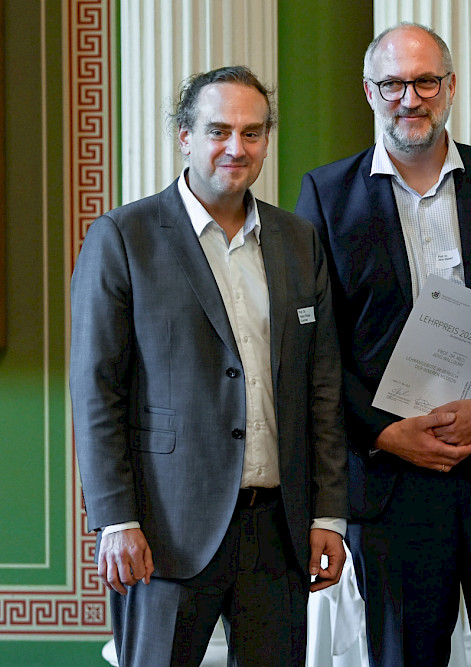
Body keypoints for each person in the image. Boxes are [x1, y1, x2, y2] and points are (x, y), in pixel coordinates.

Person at [294, 22, 471, 667]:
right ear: (369, 91)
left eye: (425, 82)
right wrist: (383, 432)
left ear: (449, 88)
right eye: (393, 84)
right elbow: (313, 346)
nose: (409, 99)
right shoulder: (326, 196)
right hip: (391, 477)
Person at [69, 66, 349, 666]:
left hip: (280, 529)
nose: (236, 148)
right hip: (167, 530)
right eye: (218, 130)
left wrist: (328, 513)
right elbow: (96, 391)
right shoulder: (125, 236)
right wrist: (115, 519)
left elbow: (321, 388)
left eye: (252, 133)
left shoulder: (298, 240)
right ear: (184, 136)